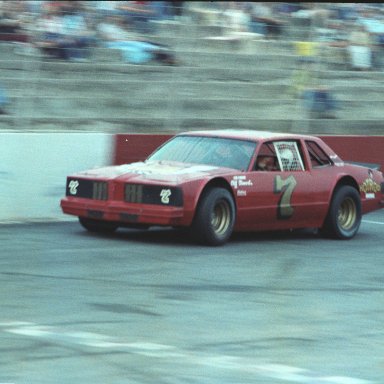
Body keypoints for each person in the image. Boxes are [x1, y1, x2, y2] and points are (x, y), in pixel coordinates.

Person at [97, 14, 177, 65]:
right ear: (106, 17)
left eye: (113, 16)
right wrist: (127, 40)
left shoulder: (115, 27)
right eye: (111, 16)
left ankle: (166, 56)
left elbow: (125, 35)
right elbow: (108, 38)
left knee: (141, 43)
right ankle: (166, 55)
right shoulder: (102, 26)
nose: (113, 17)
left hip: (123, 41)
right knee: (141, 46)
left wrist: (131, 39)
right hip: (114, 43)